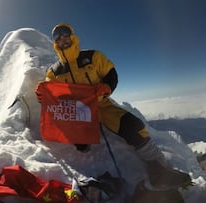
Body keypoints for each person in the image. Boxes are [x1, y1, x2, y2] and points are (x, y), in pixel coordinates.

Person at [44, 23, 191, 189]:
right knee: (81, 146)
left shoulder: (93, 57)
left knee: (133, 126)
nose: (62, 38)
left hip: (102, 105)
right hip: (78, 112)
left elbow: (110, 74)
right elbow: (51, 94)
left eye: (65, 34)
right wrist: (43, 95)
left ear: (72, 36)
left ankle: (158, 171)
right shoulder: (54, 71)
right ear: (55, 42)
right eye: (57, 36)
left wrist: (106, 87)